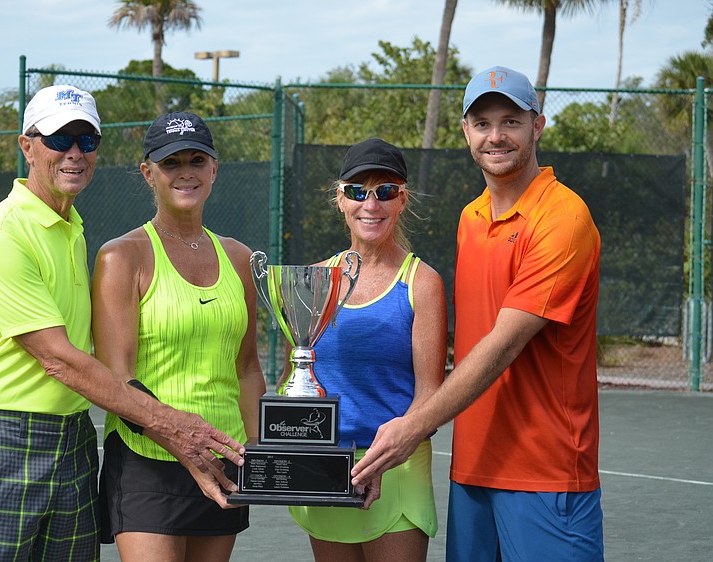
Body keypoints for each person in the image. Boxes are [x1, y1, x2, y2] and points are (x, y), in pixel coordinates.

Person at [0, 88, 246, 562]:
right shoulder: (0, 234)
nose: (74, 153)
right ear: (27, 147)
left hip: (75, 437)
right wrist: (172, 426)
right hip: (6, 435)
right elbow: (59, 360)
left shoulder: (71, 227)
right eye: (58, 139)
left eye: (86, 141)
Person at [351, 66, 604, 562]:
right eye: (483, 123)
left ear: (537, 126)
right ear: (466, 131)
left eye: (511, 121)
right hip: (472, 471)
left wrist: (412, 427)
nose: (496, 136)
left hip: (546, 472)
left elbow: (504, 344)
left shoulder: (563, 219)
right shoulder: (471, 217)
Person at [90, 111, 266, 562]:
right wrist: (184, 444)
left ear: (214, 169)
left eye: (196, 160)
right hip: (147, 462)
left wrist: (259, 453)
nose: (185, 172)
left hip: (225, 459)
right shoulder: (121, 257)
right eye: (171, 163)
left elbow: (247, 368)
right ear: (148, 173)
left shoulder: (239, 258)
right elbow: (116, 380)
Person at [286, 138, 448, 562]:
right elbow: (297, 381)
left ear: (402, 200)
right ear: (340, 199)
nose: (370, 204)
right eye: (358, 192)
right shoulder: (313, 280)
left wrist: (385, 454)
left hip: (397, 469)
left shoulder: (422, 283)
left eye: (385, 191)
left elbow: (429, 394)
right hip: (325, 471)